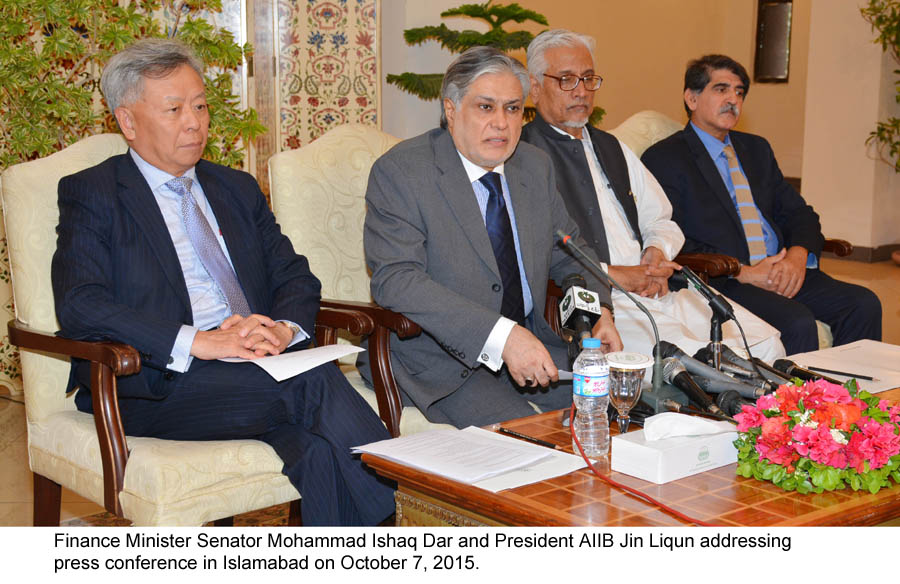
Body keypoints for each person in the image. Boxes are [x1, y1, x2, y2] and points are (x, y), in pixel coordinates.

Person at [50, 38, 394, 526]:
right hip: (152, 383)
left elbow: (294, 274)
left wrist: (280, 329)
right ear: (127, 121)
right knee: (312, 382)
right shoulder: (93, 193)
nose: (194, 121)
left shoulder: (234, 187)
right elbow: (81, 305)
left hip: (252, 368)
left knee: (316, 449)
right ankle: (411, 515)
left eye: (200, 105)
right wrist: (198, 342)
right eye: (174, 109)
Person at [360, 46, 623, 428]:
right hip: (440, 361)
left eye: (513, 108)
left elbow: (571, 252)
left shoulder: (533, 167)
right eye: (486, 107)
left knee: (627, 412)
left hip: (536, 345)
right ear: (451, 110)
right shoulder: (402, 172)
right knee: (536, 443)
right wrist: (503, 337)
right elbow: (396, 280)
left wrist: (599, 310)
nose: (502, 123)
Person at [520, 30, 785, 361]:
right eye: (567, 80)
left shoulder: (611, 147)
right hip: (604, 302)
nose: (582, 91)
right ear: (534, 87)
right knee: (700, 365)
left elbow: (660, 217)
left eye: (589, 79)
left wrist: (656, 253)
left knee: (765, 343)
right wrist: (617, 275)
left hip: (659, 287)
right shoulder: (522, 157)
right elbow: (536, 252)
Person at [642, 54, 882, 354]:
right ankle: (797, 401)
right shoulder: (665, 157)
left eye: (739, 91)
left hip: (781, 270)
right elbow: (669, 235)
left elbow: (799, 213)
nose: (733, 99)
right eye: (721, 89)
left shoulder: (756, 149)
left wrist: (796, 257)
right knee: (797, 322)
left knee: (863, 304)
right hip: (723, 279)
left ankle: (850, 398)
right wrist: (742, 271)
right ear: (691, 98)